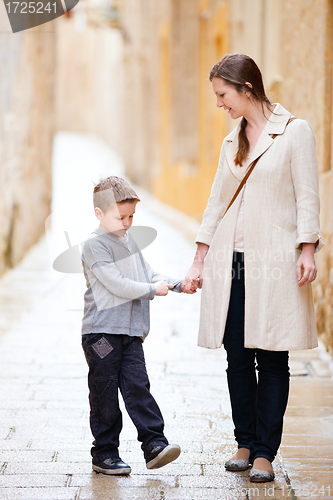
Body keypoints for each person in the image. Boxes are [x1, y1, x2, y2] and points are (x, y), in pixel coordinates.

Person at [183, 54, 323, 483]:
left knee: (272, 355)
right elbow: (215, 203)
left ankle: (265, 451)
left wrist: (307, 249)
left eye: (223, 95)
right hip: (233, 263)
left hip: (275, 263)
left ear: (246, 88)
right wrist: (200, 257)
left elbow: (307, 196)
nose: (220, 104)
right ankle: (244, 442)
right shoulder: (232, 141)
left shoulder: (294, 131)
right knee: (238, 358)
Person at [81, 176, 190, 475]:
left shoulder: (127, 240)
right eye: (121, 217)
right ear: (99, 214)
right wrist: (152, 290)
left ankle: (154, 445)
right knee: (104, 393)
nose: (127, 223)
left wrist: (177, 284)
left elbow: (148, 272)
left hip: (129, 333)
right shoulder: (94, 246)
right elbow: (116, 284)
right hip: (101, 333)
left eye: (131, 217)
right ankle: (104, 453)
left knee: (138, 385)